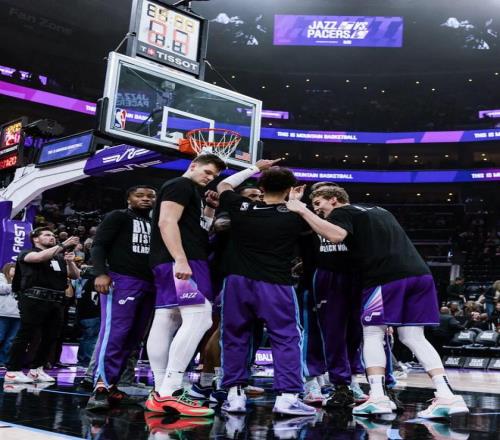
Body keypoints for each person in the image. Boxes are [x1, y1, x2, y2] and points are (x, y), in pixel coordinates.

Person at [286, 186, 469, 419]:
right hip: (420, 276)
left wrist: (301, 210)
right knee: (413, 337)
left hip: (386, 279)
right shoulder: (379, 211)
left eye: (319, 204)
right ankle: (446, 395)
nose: (318, 209)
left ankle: (378, 398)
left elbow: (336, 236)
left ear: (334, 200)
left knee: (372, 333)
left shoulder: (343, 212)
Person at [216, 162, 316, 416]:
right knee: (286, 337)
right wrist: (298, 204)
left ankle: (235, 397)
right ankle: (287, 398)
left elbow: (224, 185)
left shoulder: (241, 206)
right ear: (290, 189)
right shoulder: (296, 214)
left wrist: (253, 167)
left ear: (261, 188)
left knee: (234, 336)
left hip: (237, 282)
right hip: (275, 283)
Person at [145, 154, 226, 417]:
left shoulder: (189, 191)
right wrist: (180, 259)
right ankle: (170, 389)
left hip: (169, 260)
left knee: (168, 318)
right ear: (193, 166)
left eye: (214, 176)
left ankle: (160, 391)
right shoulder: (180, 185)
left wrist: (209, 210)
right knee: (200, 318)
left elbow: (195, 229)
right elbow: (166, 222)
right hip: (181, 260)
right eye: (207, 172)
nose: (209, 178)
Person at [86, 185, 157, 410]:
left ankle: (112, 385)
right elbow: (99, 245)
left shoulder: (156, 223)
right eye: (139, 195)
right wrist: (100, 273)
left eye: (150, 196)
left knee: (133, 338)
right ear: (129, 199)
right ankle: (100, 387)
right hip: (122, 280)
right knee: (115, 334)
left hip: (150, 284)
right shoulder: (118, 216)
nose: (146, 199)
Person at [5, 228, 80, 383]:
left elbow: (75, 275)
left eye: (53, 235)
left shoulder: (58, 257)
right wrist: (63, 244)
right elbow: (39, 258)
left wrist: (70, 261)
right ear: (35, 239)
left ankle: (36, 369)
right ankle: (12, 370)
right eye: (47, 235)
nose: (52, 237)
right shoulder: (27, 253)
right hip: (34, 298)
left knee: (51, 336)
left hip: (56, 301)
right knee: (26, 334)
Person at [0, 263, 20, 367]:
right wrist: (16, 285)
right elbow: (1, 288)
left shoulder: (23, 280)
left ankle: (3, 361)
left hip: (18, 315)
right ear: (7, 269)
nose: (16, 272)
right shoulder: (1, 277)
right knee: (0, 337)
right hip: (3, 314)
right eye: (14, 269)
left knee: (11, 340)